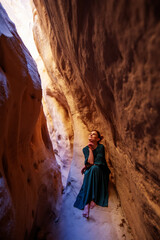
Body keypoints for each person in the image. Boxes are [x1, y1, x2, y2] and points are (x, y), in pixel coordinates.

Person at [74, 130, 110, 218]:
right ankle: (87, 203)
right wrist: (90, 149)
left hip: (101, 171)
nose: (91, 135)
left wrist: (88, 165)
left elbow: (97, 162)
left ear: (98, 139)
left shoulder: (101, 147)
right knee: (89, 171)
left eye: (93, 134)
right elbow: (90, 161)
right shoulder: (85, 149)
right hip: (92, 170)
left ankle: (93, 198)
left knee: (93, 168)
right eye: (90, 133)